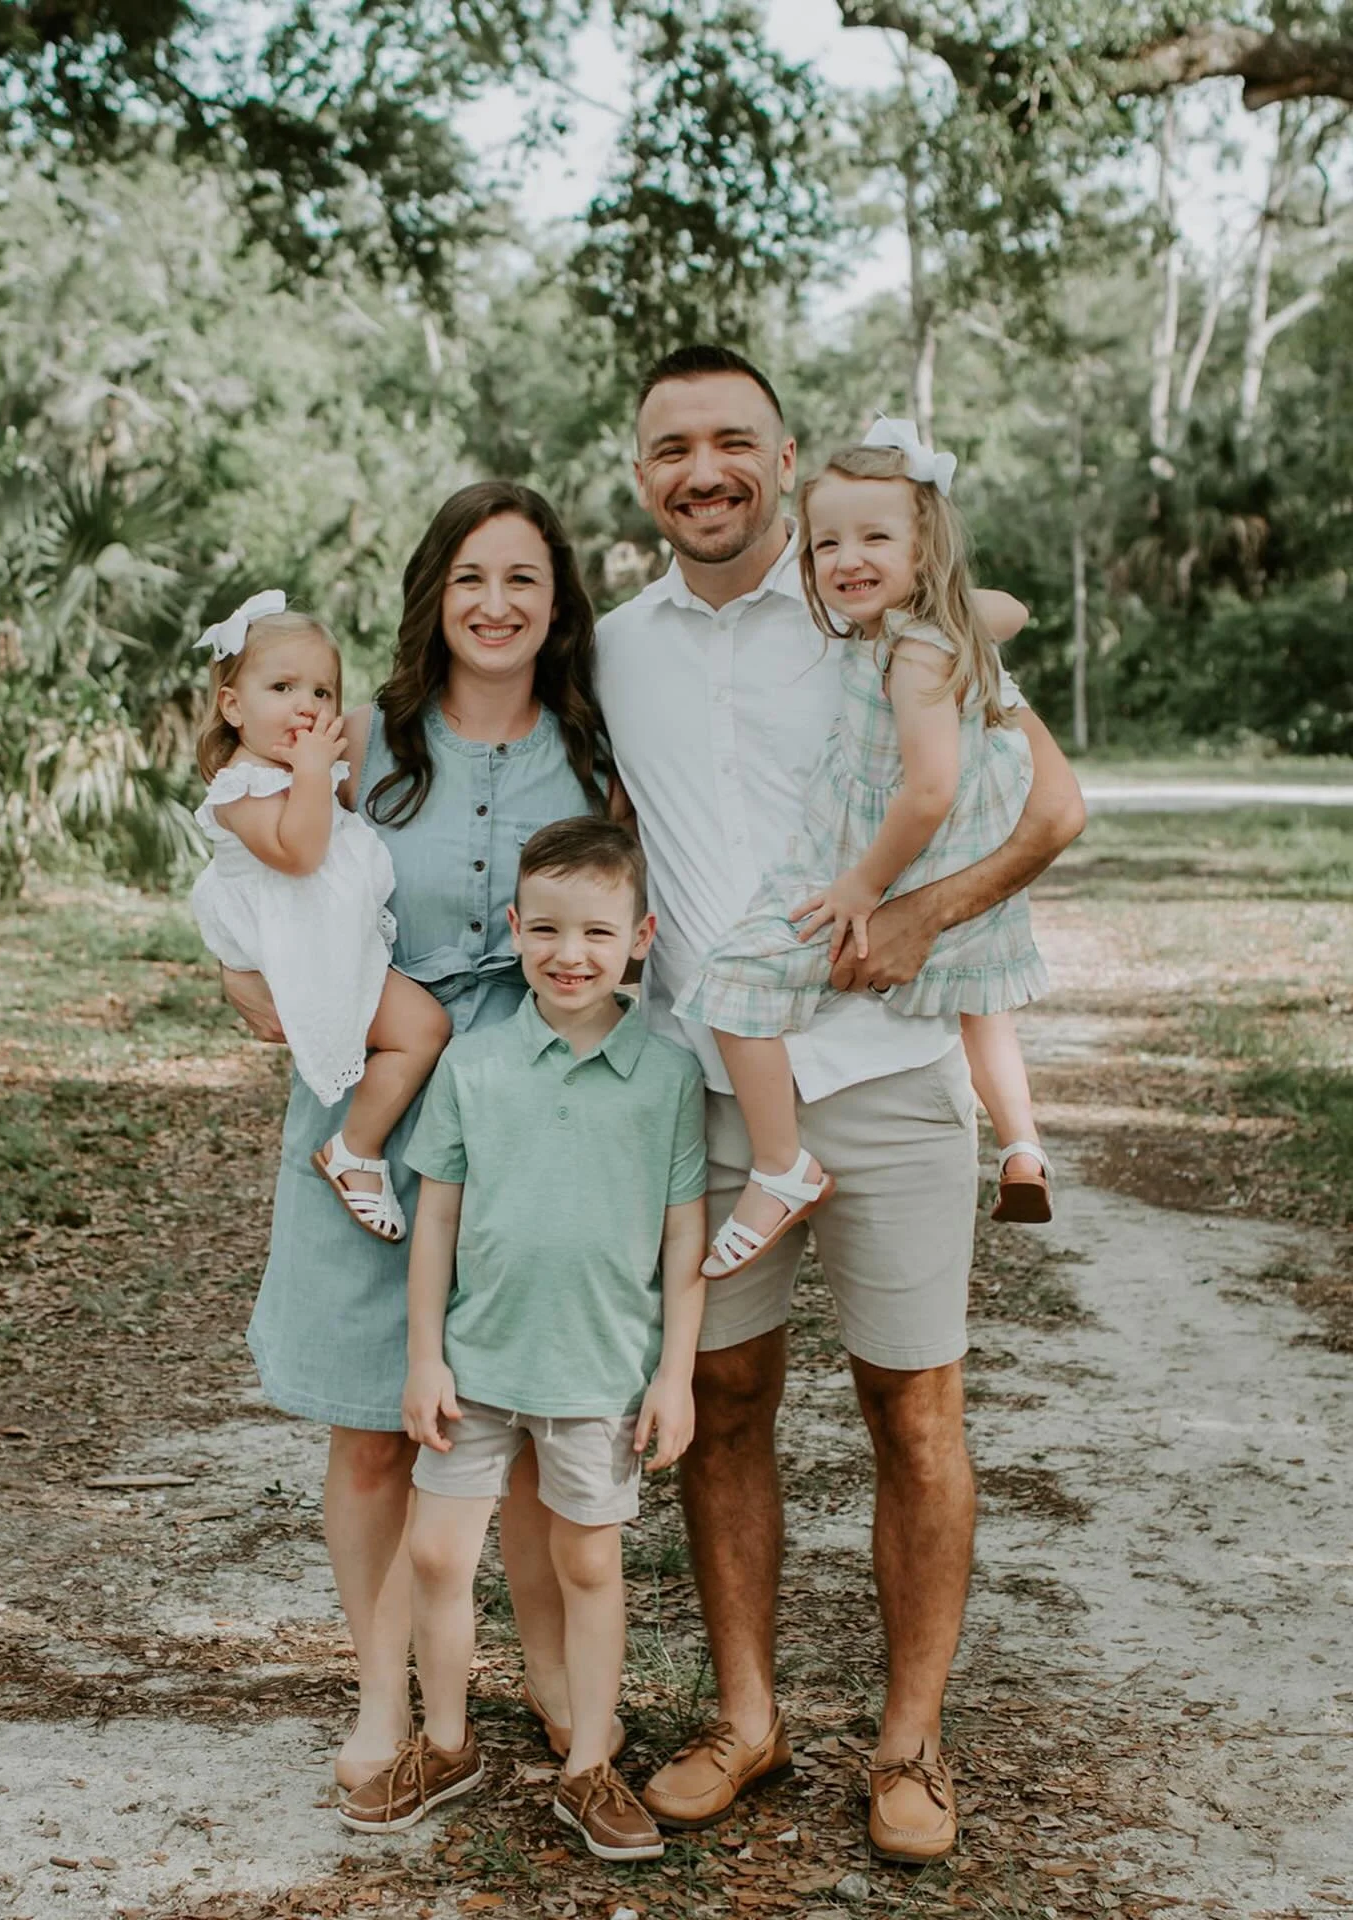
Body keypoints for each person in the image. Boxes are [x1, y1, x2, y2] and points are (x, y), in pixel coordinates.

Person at [595, 346, 1086, 1863]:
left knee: (914, 1413)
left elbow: (1055, 809)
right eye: (672, 446)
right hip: (716, 1095)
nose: (705, 469)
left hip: (888, 1081)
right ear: (640, 475)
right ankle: (747, 1722)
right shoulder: (609, 650)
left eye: (734, 439)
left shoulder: (880, 616)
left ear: (787, 457)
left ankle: (909, 1746)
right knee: (725, 1407)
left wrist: (926, 916)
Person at [220, 483, 622, 1798]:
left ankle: (556, 1683)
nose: (496, 604)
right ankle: (384, 1697)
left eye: (523, 579)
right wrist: (242, 979)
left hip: (536, 1109)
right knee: (371, 1426)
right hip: (371, 1104)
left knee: (517, 1405)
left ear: (556, 603)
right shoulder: (362, 743)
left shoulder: (595, 747)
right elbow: (254, 881)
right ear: (433, 599)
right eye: (470, 579)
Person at [338, 819, 708, 1862]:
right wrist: (425, 1356)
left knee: (587, 1561)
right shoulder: (478, 1063)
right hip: (481, 1365)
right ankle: (447, 1743)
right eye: (544, 929)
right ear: (514, 928)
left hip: (600, 1373)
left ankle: (590, 1764)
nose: (568, 953)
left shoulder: (668, 1078)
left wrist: (674, 1377)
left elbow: (685, 1239)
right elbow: (439, 1219)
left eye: (596, 931)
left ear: (641, 936)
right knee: (440, 1553)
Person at [674, 417, 1051, 1282]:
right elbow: (1009, 610)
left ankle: (781, 1165)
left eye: (876, 537)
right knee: (979, 1003)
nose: (847, 558)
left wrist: (861, 886)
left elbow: (927, 790)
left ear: (927, 548)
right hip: (952, 862)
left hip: (891, 859)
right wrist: (966, 613)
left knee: (731, 984)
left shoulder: (913, 655)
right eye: (826, 543)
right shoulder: (928, 631)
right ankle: (1023, 1143)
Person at [190, 593, 451, 1244]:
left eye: (323, 691)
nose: (307, 705)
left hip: (328, 936)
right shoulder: (242, 787)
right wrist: (314, 774)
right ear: (232, 705)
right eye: (282, 687)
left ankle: (356, 1148)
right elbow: (301, 854)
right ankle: (355, 1151)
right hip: (303, 947)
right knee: (423, 1029)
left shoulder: (286, 770)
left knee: (421, 1027)